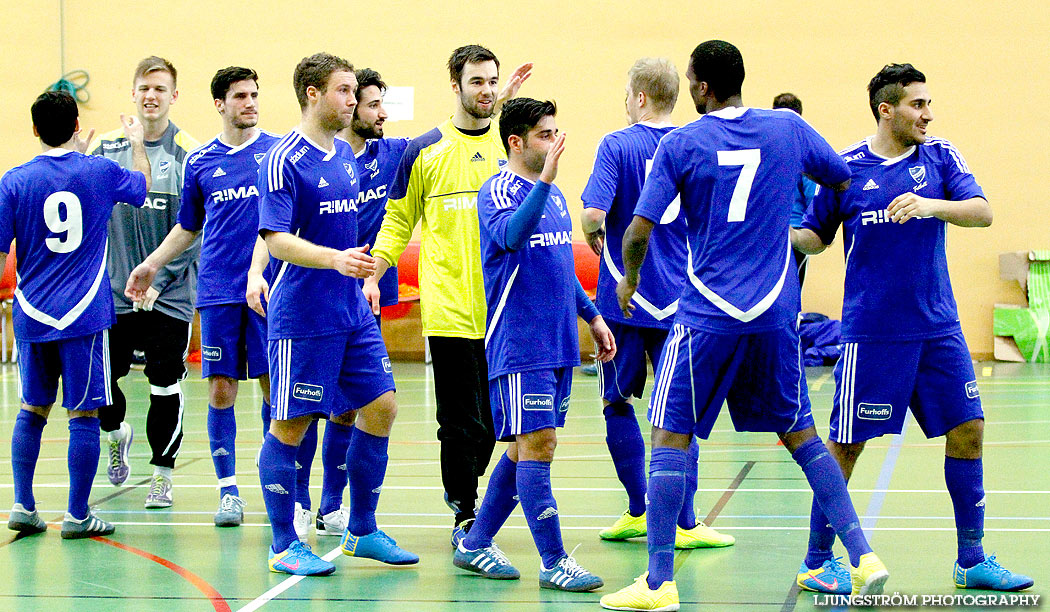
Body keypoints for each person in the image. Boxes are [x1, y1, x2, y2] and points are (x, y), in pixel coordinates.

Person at [601, 41, 887, 611]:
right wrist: (816, 233)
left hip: (707, 314)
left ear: (702, 88)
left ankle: (658, 585)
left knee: (669, 437)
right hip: (777, 313)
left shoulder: (683, 142)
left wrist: (629, 282)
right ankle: (862, 555)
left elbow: (636, 233)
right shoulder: (787, 127)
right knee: (803, 436)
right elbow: (841, 177)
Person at [791, 63, 1033, 593]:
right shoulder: (845, 168)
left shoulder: (941, 156)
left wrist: (931, 206)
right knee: (845, 446)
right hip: (872, 333)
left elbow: (983, 212)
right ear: (887, 108)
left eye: (928, 103)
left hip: (938, 328)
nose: (928, 113)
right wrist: (775, 234)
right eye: (917, 104)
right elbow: (815, 237)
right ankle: (817, 559)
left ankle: (971, 558)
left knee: (969, 428)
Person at [253, 52, 417, 576]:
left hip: (352, 311)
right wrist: (335, 260)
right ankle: (283, 544)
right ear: (312, 93)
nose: (353, 100)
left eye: (354, 92)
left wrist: (363, 275)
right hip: (304, 316)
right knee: (291, 424)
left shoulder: (345, 157)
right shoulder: (283, 158)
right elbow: (275, 239)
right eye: (344, 91)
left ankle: (361, 529)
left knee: (382, 406)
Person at [365, 45, 532, 543]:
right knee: (461, 425)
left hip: (506, 312)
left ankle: (472, 490)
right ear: (455, 86)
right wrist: (376, 270)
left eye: (491, 81)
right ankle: (464, 515)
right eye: (476, 81)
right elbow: (397, 220)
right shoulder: (423, 151)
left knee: (497, 427)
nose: (485, 90)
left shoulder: (511, 150)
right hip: (450, 311)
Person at [452, 97, 614, 591]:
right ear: (516, 142)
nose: (554, 142)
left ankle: (476, 543)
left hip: (559, 341)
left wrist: (593, 316)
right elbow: (512, 236)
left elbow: (560, 269)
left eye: (555, 132)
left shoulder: (557, 196)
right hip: (520, 343)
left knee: (528, 448)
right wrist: (543, 183)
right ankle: (554, 561)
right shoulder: (497, 190)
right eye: (545, 135)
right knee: (538, 444)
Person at [580, 57, 733, 550]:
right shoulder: (696, 141)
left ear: (640, 97)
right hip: (685, 298)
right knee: (680, 412)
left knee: (616, 400)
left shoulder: (616, 144)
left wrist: (598, 239)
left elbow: (591, 213)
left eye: (627, 93)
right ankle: (686, 521)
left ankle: (641, 509)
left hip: (625, 294)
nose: (624, 102)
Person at [125, 66, 278, 527]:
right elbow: (187, 227)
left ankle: (279, 484)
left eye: (254, 95)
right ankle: (228, 491)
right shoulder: (201, 161)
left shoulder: (276, 154)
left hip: (268, 288)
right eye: (240, 96)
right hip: (215, 291)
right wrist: (151, 263)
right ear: (219, 104)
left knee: (276, 389)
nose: (250, 103)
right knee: (221, 389)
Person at [3, 91, 149, 538]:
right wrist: (138, 143)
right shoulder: (99, 172)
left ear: (33, 129)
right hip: (84, 315)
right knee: (83, 415)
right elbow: (141, 188)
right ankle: (77, 514)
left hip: (31, 314)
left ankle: (23, 505)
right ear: (75, 125)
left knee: (31, 409)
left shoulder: (13, 181)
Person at [91, 56, 200, 508]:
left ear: (174, 96)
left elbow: (198, 229)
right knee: (101, 382)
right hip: (114, 294)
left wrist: (162, 276)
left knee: (163, 383)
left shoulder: (191, 155)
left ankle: (161, 473)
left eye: (160, 88)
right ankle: (117, 434)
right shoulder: (106, 151)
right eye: (144, 88)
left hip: (169, 295)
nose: (151, 96)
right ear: (133, 94)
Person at [772, 92, 818, 288]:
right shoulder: (804, 154)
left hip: (773, 232)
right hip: (794, 233)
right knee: (792, 289)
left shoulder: (766, 151)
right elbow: (813, 199)